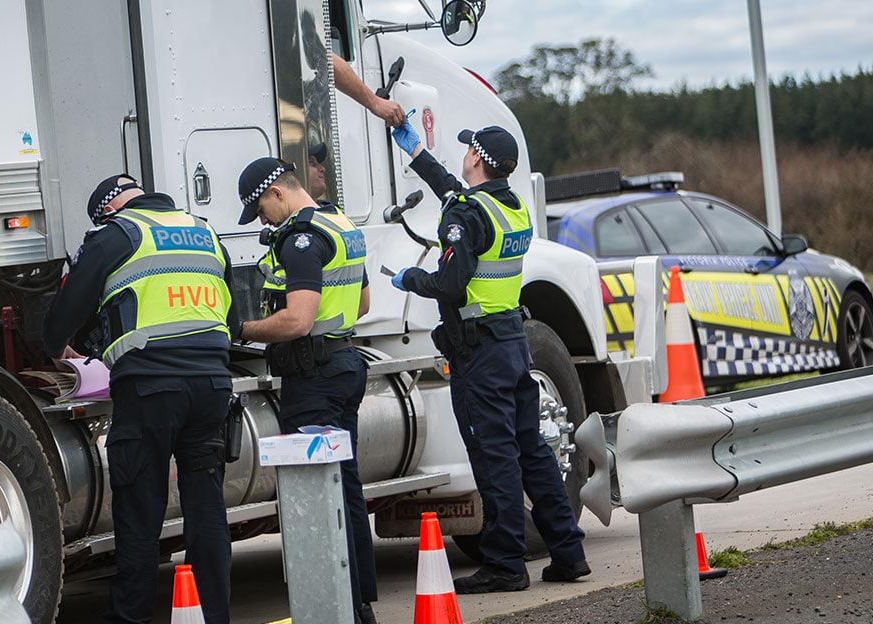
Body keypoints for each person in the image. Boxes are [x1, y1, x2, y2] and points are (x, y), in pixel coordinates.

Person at [386, 121, 591, 593]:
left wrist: (409, 280)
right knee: (534, 451)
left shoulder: (467, 215)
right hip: (512, 342)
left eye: (467, 152)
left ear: (476, 158)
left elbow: (449, 284)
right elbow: (456, 194)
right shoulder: (511, 208)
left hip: (479, 354)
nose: (463, 159)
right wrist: (416, 150)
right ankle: (568, 551)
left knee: (494, 456)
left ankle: (504, 564)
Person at [42, 175, 238, 624]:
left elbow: (68, 313)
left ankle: (130, 618)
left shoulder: (115, 234)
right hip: (212, 385)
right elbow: (231, 315)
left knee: (140, 510)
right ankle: (215, 616)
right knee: (206, 507)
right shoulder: (205, 232)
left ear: (108, 208)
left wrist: (57, 347)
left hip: (151, 389)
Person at [234, 158, 378, 624]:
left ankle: (336, 608)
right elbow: (362, 301)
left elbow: (298, 320)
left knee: (317, 494)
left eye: (259, 208)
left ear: (277, 192)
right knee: (345, 488)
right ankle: (358, 603)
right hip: (343, 364)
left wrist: (240, 330)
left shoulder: (300, 239)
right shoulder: (341, 224)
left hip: (313, 379)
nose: (261, 219)